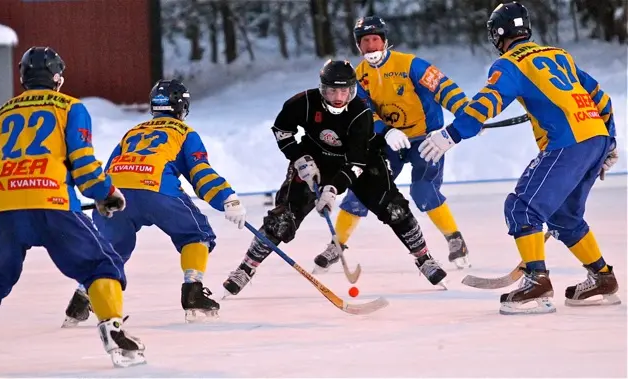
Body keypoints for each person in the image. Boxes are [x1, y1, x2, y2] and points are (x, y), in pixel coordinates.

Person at [418, 1, 621, 315]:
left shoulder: (511, 63)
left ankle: (537, 281)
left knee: (521, 207)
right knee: (564, 217)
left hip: (567, 143)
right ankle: (603, 278)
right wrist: (609, 144)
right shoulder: (558, 55)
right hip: (596, 137)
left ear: (499, 34)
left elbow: (487, 102)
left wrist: (451, 134)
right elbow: (601, 98)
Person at [222, 59, 448, 297]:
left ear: (352, 90)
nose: (338, 96)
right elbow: (282, 131)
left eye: (344, 90)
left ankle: (424, 258)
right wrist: (299, 159)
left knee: (394, 209)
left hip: (362, 161)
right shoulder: (303, 103)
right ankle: (245, 268)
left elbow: (356, 163)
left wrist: (332, 189)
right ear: (322, 88)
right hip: (315, 159)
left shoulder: (361, 113)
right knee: (282, 219)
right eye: (332, 90)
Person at [0, 46, 145, 367]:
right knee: (100, 265)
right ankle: (113, 329)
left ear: (23, 77)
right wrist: (105, 192)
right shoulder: (70, 107)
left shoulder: (2, 114)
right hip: (53, 202)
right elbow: (83, 160)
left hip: (2, 204)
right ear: (58, 77)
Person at [61, 79, 246, 326]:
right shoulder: (184, 133)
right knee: (196, 234)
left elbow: (108, 170)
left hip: (118, 193)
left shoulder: (133, 131)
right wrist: (227, 198)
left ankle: (81, 301)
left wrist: (102, 197)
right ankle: (193, 293)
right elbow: (200, 173)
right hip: (156, 190)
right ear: (182, 107)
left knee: (110, 249)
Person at [313, 16, 471, 273]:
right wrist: (385, 132)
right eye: (366, 41)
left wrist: (469, 115)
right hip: (390, 142)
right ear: (358, 46)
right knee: (363, 189)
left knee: (424, 191)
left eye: (376, 39)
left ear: (385, 41)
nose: (372, 46)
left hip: (426, 140)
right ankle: (337, 244)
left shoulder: (411, 64)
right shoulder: (358, 76)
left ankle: (455, 238)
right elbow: (363, 112)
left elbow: (445, 88)